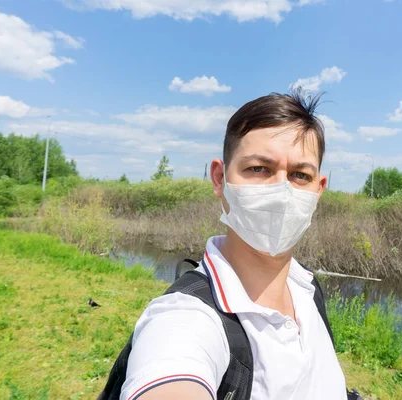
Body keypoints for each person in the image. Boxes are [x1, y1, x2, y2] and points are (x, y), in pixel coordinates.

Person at [118, 90, 348, 399]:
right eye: (258, 168)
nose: (281, 190)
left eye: (299, 175)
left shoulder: (306, 287)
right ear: (219, 178)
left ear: (318, 190)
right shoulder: (185, 319)